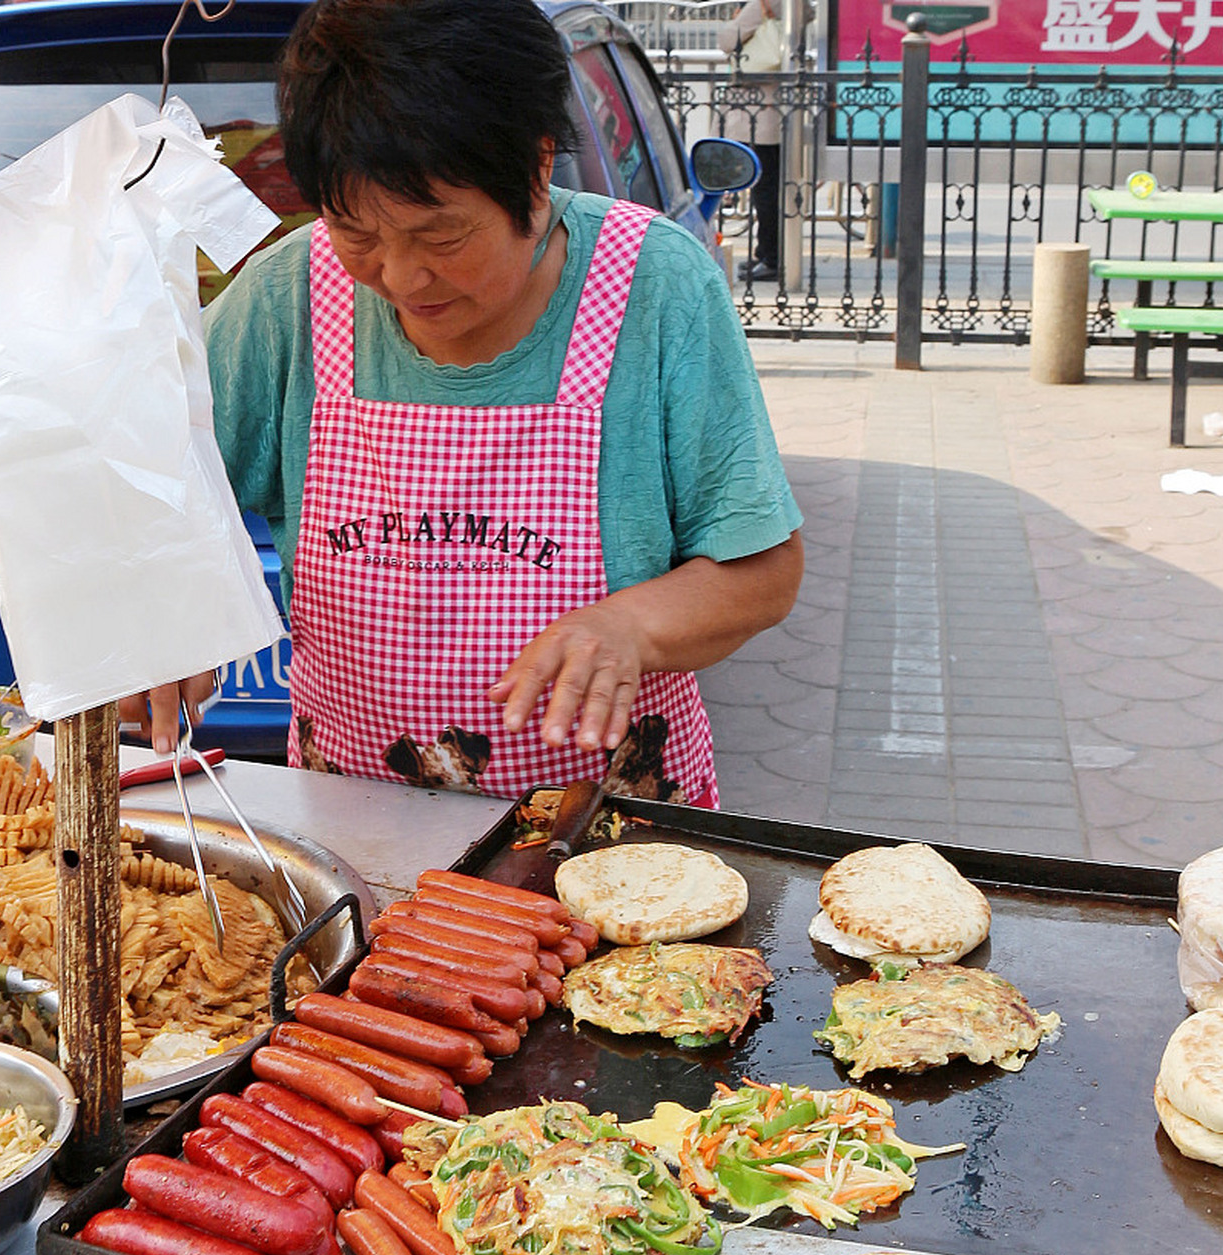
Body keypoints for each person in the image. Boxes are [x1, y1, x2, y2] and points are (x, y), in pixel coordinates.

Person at [123, 0, 803, 805]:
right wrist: (163, 612)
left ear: (536, 165)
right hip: (360, 831)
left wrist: (632, 625)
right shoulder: (289, 297)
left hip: (611, 840)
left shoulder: (656, 285)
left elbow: (762, 569)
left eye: (441, 238)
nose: (403, 278)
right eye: (358, 232)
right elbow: (156, 496)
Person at [719, 0, 784, 285]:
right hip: (773, 112)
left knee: (765, 189)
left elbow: (726, 40)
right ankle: (767, 252)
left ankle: (772, 256)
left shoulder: (763, 4)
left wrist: (737, 20)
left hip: (761, 114)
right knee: (770, 188)